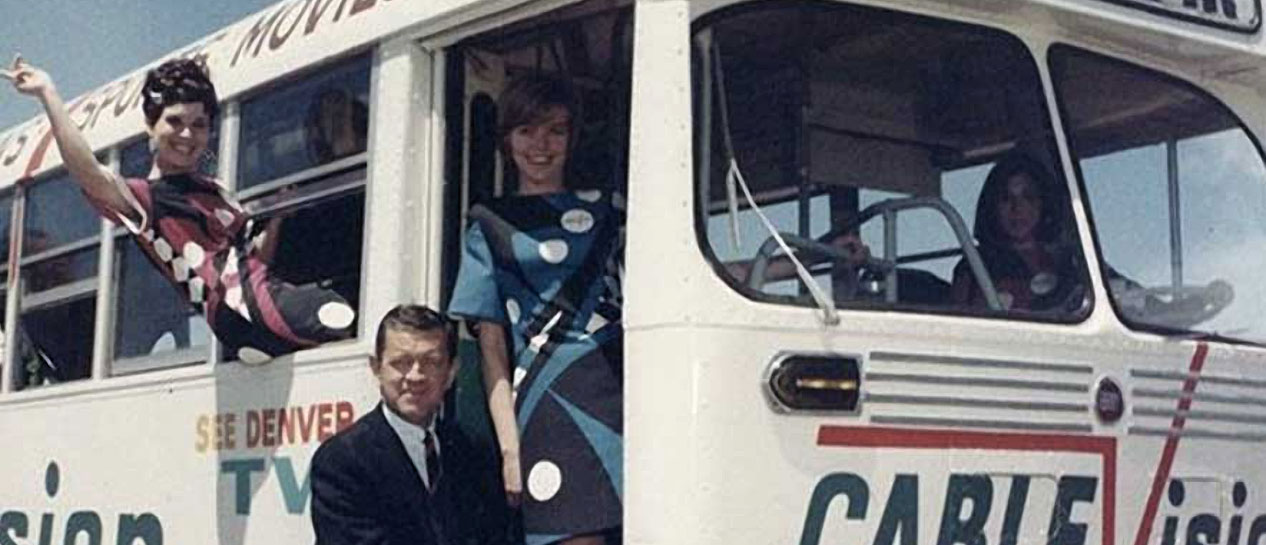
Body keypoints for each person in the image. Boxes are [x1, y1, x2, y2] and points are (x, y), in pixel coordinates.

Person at [2, 55, 354, 364]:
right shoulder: (147, 199)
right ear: (150, 127)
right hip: (236, 309)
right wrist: (48, 94)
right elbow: (88, 172)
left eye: (199, 125)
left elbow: (254, 260)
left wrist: (277, 217)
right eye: (174, 122)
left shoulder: (218, 193)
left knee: (335, 308)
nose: (187, 134)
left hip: (259, 294)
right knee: (339, 313)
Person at [448, 74, 623, 545]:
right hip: (548, 405)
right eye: (526, 131)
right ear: (507, 140)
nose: (540, 145)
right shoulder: (488, 224)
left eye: (556, 131)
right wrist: (510, 448)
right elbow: (492, 352)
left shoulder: (611, 211)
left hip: (624, 398)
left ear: (572, 137)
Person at [311, 304, 494, 545]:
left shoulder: (471, 452)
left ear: (451, 372)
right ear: (376, 368)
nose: (416, 376)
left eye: (432, 362)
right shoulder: (341, 461)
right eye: (401, 362)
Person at [950, 153, 1083, 312]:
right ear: (992, 207)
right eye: (1006, 199)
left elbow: (1113, 293)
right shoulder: (974, 266)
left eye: (1028, 197)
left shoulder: (1071, 260)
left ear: (1044, 203)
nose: (1018, 209)